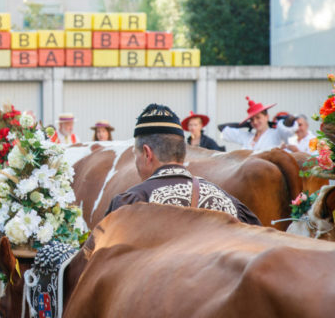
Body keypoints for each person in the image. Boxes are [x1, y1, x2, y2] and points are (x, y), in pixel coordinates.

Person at [106, 103, 261, 226]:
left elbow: (97, 261)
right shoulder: (229, 204)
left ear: (147, 154)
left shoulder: (130, 204)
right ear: (182, 151)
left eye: (135, 154)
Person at [219, 97, 298, 151]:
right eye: (252, 119)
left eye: (258, 117)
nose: (255, 122)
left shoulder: (276, 134)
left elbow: (288, 131)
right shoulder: (247, 136)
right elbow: (221, 128)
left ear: (267, 117)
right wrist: (245, 124)